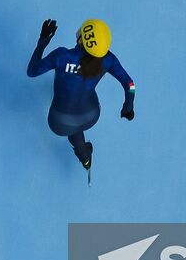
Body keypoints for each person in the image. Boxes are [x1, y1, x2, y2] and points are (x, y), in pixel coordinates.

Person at [27, 18, 135, 173]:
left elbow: (32, 71)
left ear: (82, 39)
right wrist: (128, 105)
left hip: (58, 122)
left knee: (71, 127)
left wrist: (42, 41)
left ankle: (84, 157)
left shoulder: (61, 56)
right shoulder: (108, 60)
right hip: (91, 115)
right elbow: (130, 84)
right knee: (76, 124)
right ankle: (84, 157)